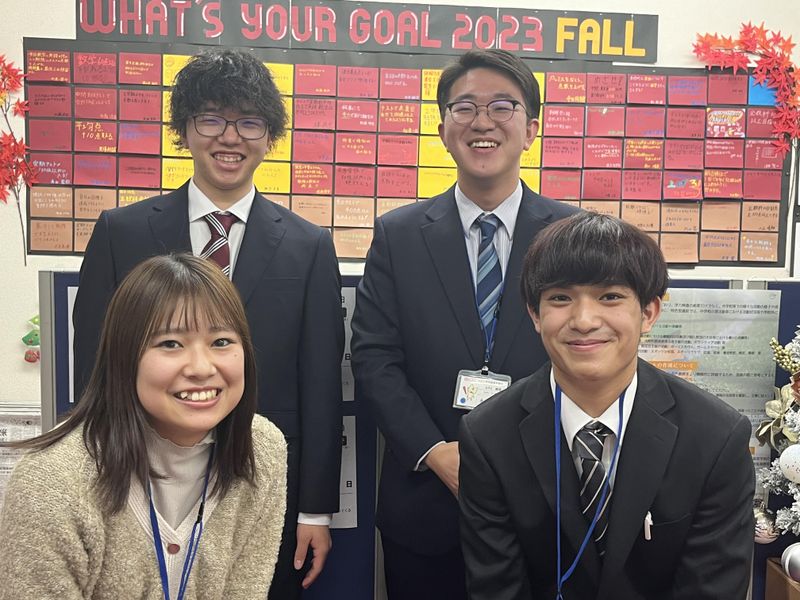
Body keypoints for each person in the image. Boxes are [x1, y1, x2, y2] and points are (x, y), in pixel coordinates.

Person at [72, 48, 344, 598]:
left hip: (260, 482)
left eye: (249, 122)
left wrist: (315, 508)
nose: (230, 137)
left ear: (269, 136)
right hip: (139, 475)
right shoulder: (122, 232)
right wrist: (95, 479)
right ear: (185, 129)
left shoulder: (309, 245)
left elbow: (320, 384)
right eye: (212, 119)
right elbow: (94, 369)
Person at [350, 49, 579, 599]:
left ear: (531, 129)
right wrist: (436, 453)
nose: (483, 122)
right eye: (466, 107)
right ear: (443, 130)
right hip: (425, 502)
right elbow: (374, 358)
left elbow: (588, 355)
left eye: (502, 106)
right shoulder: (399, 235)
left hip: (543, 499)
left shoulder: (573, 234)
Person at [459, 212, 755, 599]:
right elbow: (497, 588)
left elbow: (712, 589)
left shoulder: (716, 437)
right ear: (534, 314)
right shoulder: (488, 436)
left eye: (610, 296)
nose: (584, 320)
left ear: (648, 313)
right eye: (560, 298)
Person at [0, 254, 287, 599]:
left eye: (221, 342)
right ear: (124, 357)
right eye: (170, 344)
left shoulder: (263, 450)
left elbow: (245, 590)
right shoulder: (52, 481)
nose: (201, 368)